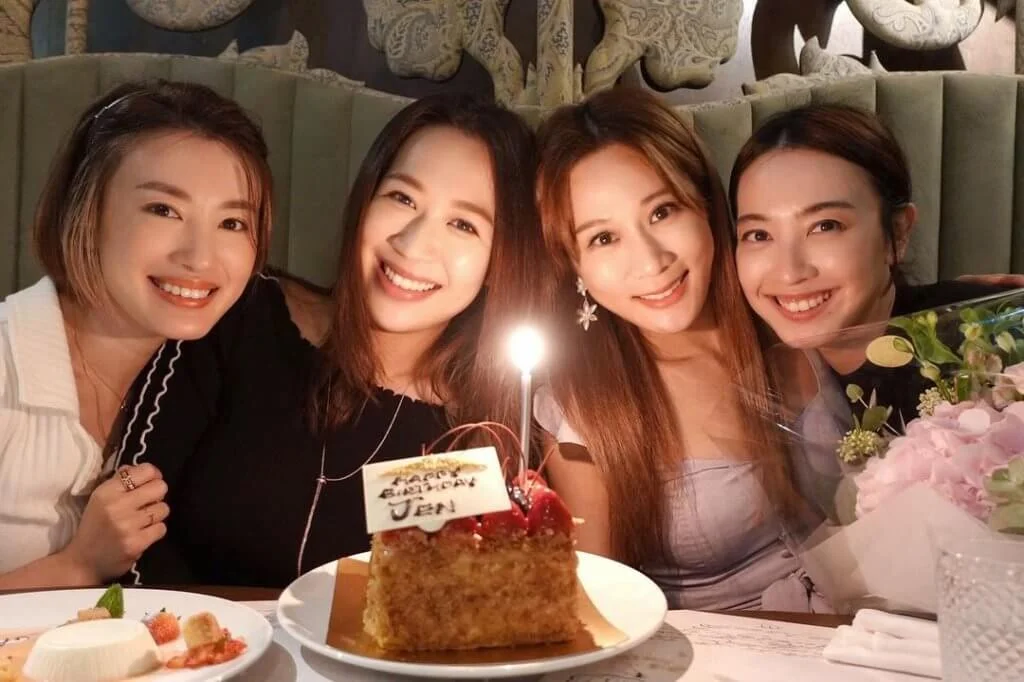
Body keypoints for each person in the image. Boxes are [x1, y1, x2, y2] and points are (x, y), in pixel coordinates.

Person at [127, 92, 545, 588]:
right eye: (402, 198)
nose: (413, 244)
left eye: (463, 224)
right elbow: (131, 531)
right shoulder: (241, 314)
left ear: (502, 258)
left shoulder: (487, 427)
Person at [531, 86, 820, 612]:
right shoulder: (583, 404)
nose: (651, 261)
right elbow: (600, 610)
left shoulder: (788, 303)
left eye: (662, 211)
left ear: (705, 204)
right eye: (603, 238)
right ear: (574, 267)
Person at [0, 80, 273, 589]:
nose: (200, 258)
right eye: (164, 210)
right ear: (84, 211)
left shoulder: (213, 380)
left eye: (232, 223)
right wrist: (77, 566)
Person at [730, 103, 1017, 426]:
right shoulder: (755, 381)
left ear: (898, 232)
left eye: (825, 226)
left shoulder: (993, 341)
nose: (789, 272)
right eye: (758, 234)